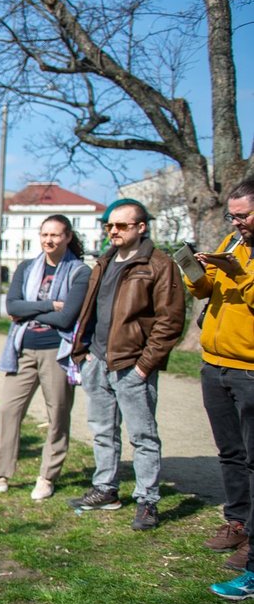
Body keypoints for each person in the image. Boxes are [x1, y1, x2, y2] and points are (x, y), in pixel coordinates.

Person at [69, 200, 185, 530]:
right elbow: (91, 311)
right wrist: (84, 355)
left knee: (143, 436)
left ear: (141, 227)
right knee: (103, 432)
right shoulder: (103, 262)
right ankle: (105, 488)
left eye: (121, 226)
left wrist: (144, 367)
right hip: (98, 360)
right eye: (109, 226)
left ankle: (147, 500)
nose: (114, 231)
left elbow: (170, 321)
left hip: (132, 365)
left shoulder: (158, 265)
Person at [0, 215, 91, 500]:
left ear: (68, 237)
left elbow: (67, 316)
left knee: (57, 413)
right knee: (8, 410)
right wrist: (49, 304)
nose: (49, 240)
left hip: (56, 351)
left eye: (55, 235)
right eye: (45, 234)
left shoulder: (80, 272)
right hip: (22, 349)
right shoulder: (27, 267)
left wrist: (30, 310)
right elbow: (12, 305)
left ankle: (47, 476)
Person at [195, 178, 254, 600]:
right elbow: (205, 290)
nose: (236, 222)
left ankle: (253, 538)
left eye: (243, 215)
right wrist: (196, 272)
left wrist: (241, 275)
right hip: (215, 364)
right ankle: (237, 522)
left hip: (249, 370)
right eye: (232, 215)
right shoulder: (232, 243)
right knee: (230, 452)